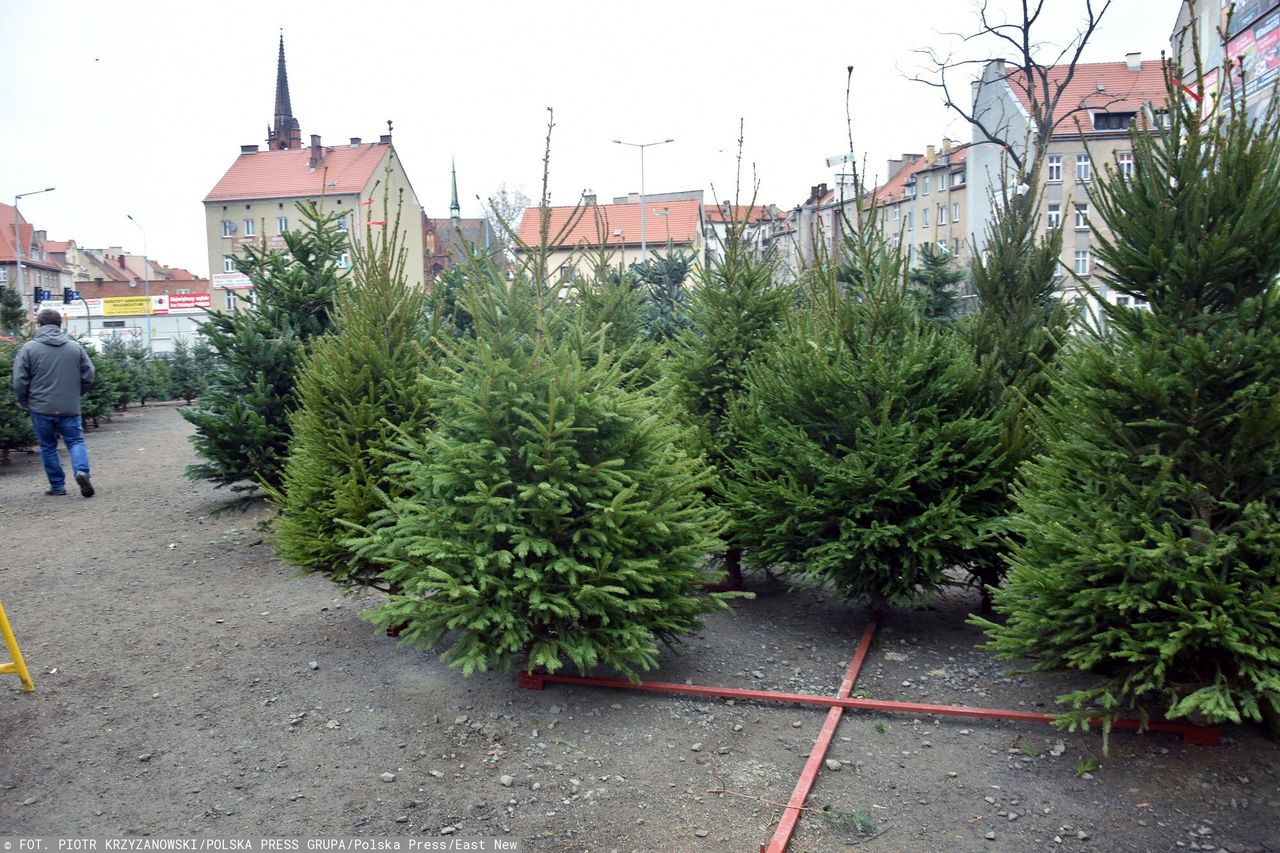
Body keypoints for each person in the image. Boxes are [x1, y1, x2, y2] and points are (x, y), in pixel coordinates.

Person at [11, 307, 96, 497]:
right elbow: (89, 375)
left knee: (48, 446)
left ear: (39, 326)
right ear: (60, 324)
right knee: (75, 441)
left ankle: (57, 486)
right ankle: (82, 472)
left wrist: (25, 400)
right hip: (69, 406)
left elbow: (19, 380)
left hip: (40, 407)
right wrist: (76, 394)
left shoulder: (29, 349)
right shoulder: (75, 348)